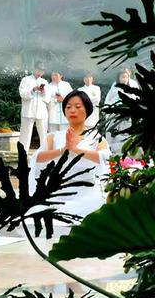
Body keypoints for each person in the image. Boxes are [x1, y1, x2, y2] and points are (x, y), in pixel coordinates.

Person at [31, 90, 110, 218]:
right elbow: (37, 158)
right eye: (68, 107)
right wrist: (63, 150)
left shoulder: (96, 138)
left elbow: (104, 158)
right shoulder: (54, 136)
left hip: (87, 192)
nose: (72, 110)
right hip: (57, 190)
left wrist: (75, 149)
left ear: (87, 110)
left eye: (78, 107)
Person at [103, 70, 138, 154]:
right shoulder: (115, 87)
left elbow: (135, 100)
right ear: (119, 78)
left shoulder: (131, 88)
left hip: (127, 115)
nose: (124, 79)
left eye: (126, 77)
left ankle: (125, 152)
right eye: (122, 77)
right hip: (114, 114)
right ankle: (111, 152)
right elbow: (108, 100)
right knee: (111, 134)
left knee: (125, 134)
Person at [19, 62, 50, 152]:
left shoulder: (44, 82)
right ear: (34, 69)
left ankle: (44, 154)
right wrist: (33, 90)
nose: (40, 72)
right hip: (28, 111)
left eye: (42, 71)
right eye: (38, 70)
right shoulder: (25, 80)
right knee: (25, 135)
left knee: (43, 135)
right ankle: (23, 155)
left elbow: (48, 98)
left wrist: (43, 91)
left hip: (41, 111)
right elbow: (22, 94)